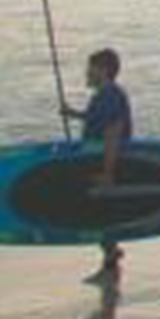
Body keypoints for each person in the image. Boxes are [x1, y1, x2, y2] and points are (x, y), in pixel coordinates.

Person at [64, 47, 134, 284]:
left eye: (90, 68)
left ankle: (110, 264)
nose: (87, 73)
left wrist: (107, 172)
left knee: (101, 213)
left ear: (103, 70)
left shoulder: (110, 95)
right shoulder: (105, 95)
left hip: (107, 165)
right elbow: (98, 119)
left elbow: (113, 134)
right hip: (100, 163)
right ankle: (111, 259)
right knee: (100, 213)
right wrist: (75, 114)